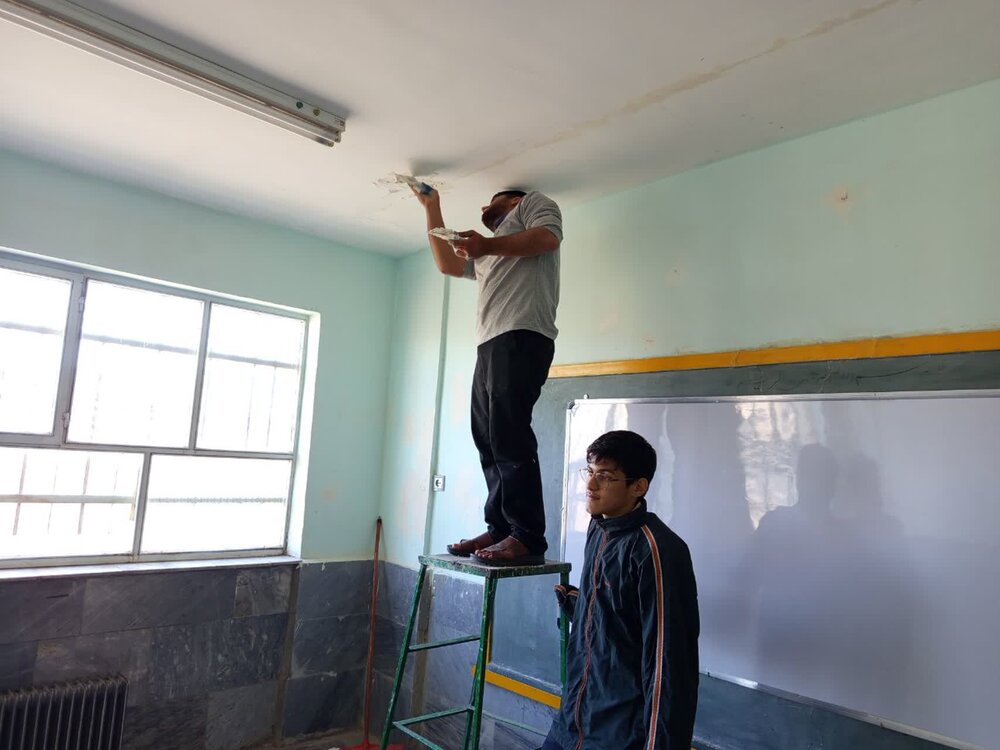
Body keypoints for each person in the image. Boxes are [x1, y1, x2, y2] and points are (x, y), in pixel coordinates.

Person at [411, 184, 562, 566]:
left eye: (493, 200)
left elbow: (548, 238)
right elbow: (448, 265)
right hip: (490, 343)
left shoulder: (533, 204)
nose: (483, 206)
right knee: (488, 438)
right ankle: (500, 528)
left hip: (522, 333)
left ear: (514, 201)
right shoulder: (491, 251)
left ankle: (527, 535)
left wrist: (487, 245)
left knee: (508, 433)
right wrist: (432, 207)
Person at [544, 430, 700, 750]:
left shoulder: (657, 550)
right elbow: (619, 615)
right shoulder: (599, 527)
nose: (590, 485)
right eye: (589, 471)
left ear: (638, 487)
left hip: (619, 734)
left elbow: (668, 664)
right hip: (572, 719)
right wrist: (583, 605)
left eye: (604, 476)